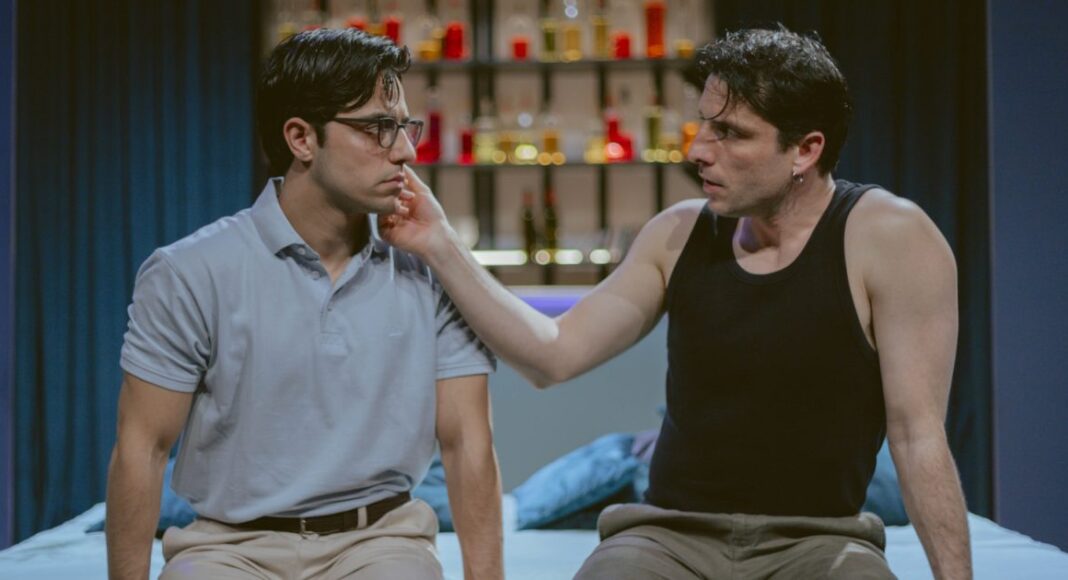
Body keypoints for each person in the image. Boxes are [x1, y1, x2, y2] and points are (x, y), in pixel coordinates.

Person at [383, 26, 972, 579]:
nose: (698, 150)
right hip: (669, 536)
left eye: (730, 133)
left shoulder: (890, 238)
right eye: (703, 126)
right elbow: (552, 355)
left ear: (805, 150)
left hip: (819, 538)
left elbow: (917, 436)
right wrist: (440, 242)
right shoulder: (679, 233)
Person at [105, 29, 502, 580]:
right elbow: (142, 447)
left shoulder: (431, 270)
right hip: (228, 548)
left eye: (404, 127)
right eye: (379, 128)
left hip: (382, 543)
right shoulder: (189, 271)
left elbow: (467, 445)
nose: (406, 151)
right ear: (301, 138)